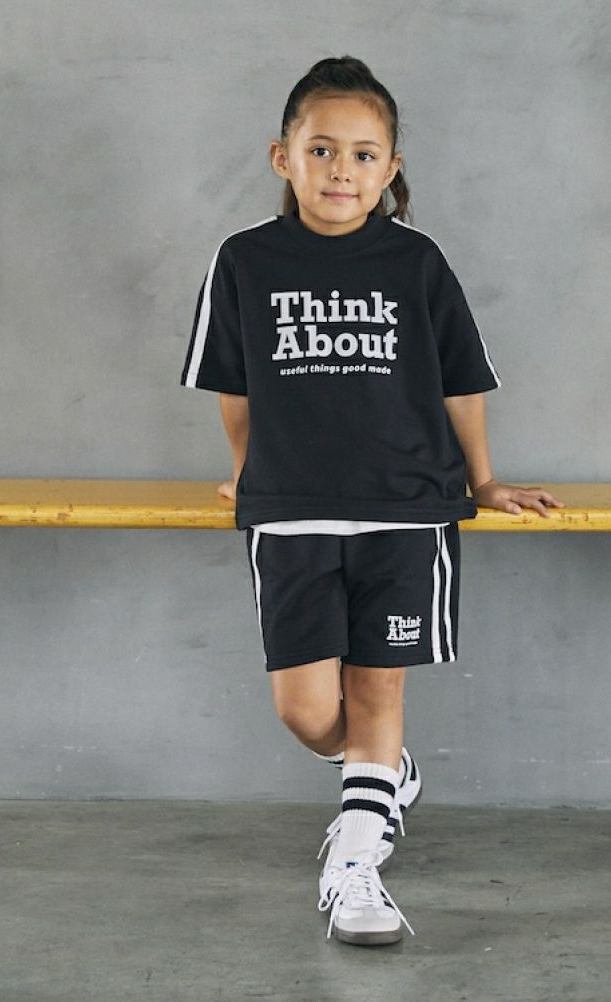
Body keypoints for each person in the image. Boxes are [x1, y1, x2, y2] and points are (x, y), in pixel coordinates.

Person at [181, 55, 563, 947]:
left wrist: (484, 481)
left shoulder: (416, 262)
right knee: (307, 710)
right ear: (282, 157)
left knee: (377, 688)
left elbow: (461, 383)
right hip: (291, 510)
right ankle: (381, 775)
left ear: (390, 168)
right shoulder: (245, 261)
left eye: (363, 154)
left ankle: (356, 871)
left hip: (405, 506)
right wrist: (249, 467)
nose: (341, 170)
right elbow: (235, 386)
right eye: (321, 150)